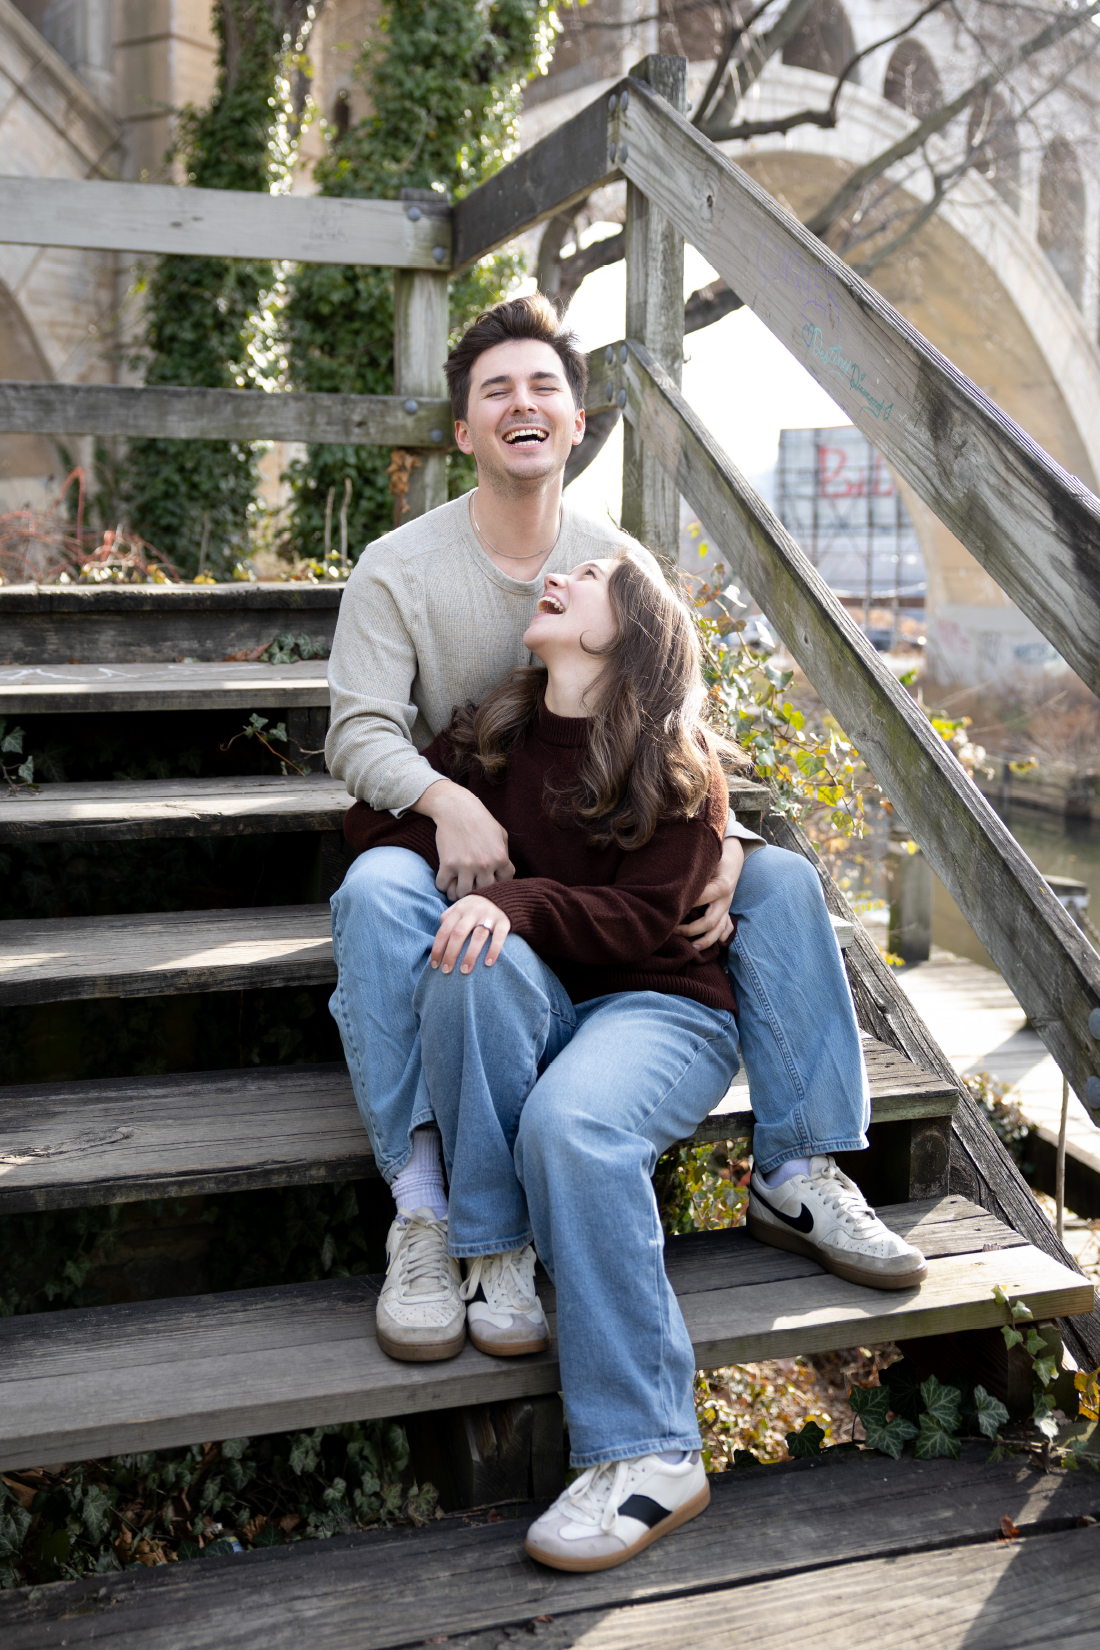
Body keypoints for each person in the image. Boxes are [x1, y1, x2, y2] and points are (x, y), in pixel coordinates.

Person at [340, 545, 742, 1569]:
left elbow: (650, 918)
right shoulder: (494, 727)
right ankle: (491, 1251)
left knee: (570, 1126)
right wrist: (440, 804)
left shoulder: (673, 758)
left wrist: (512, 897)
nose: (560, 578)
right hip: (547, 1007)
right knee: (462, 962)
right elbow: (365, 818)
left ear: (633, 631)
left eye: (594, 577)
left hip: (657, 1009)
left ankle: (651, 1449)